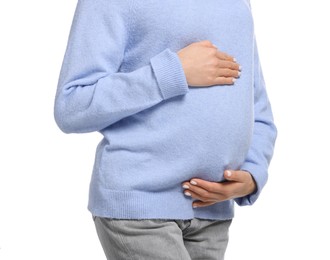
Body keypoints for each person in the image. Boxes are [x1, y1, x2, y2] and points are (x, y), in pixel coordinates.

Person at [54, 0, 277, 259]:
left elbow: (254, 102)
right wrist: (173, 72)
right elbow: (72, 106)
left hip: (213, 211)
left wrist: (252, 173)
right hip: (140, 206)